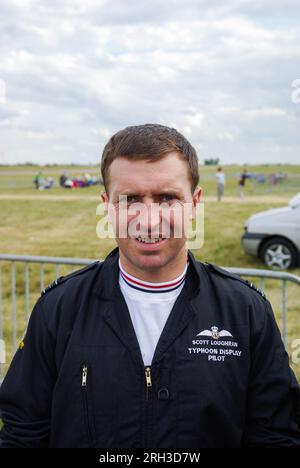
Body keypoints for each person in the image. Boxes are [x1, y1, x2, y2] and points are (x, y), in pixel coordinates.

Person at [0, 124, 299, 448]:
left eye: (167, 198)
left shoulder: (246, 312)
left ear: (195, 203)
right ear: (107, 205)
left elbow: (275, 434)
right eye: (130, 200)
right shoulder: (58, 309)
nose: (148, 220)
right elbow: (22, 431)